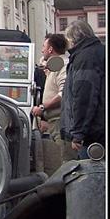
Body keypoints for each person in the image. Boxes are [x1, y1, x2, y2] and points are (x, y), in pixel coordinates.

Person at [60, 20, 105, 160]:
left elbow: (84, 97)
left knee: (91, 176)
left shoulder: (85, 58)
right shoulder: (98, 52)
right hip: (98, 129)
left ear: (73, 39)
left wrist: (78, 134)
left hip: (93, 135)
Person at [31, 34, 74, 162]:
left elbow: (63, 94)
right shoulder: (57, 65)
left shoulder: (63, 66)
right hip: (55, 121)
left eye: (44, 46)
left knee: (64, 161)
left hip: (60, 121)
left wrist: (43, 107)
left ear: (50, 49)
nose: (42, 50)